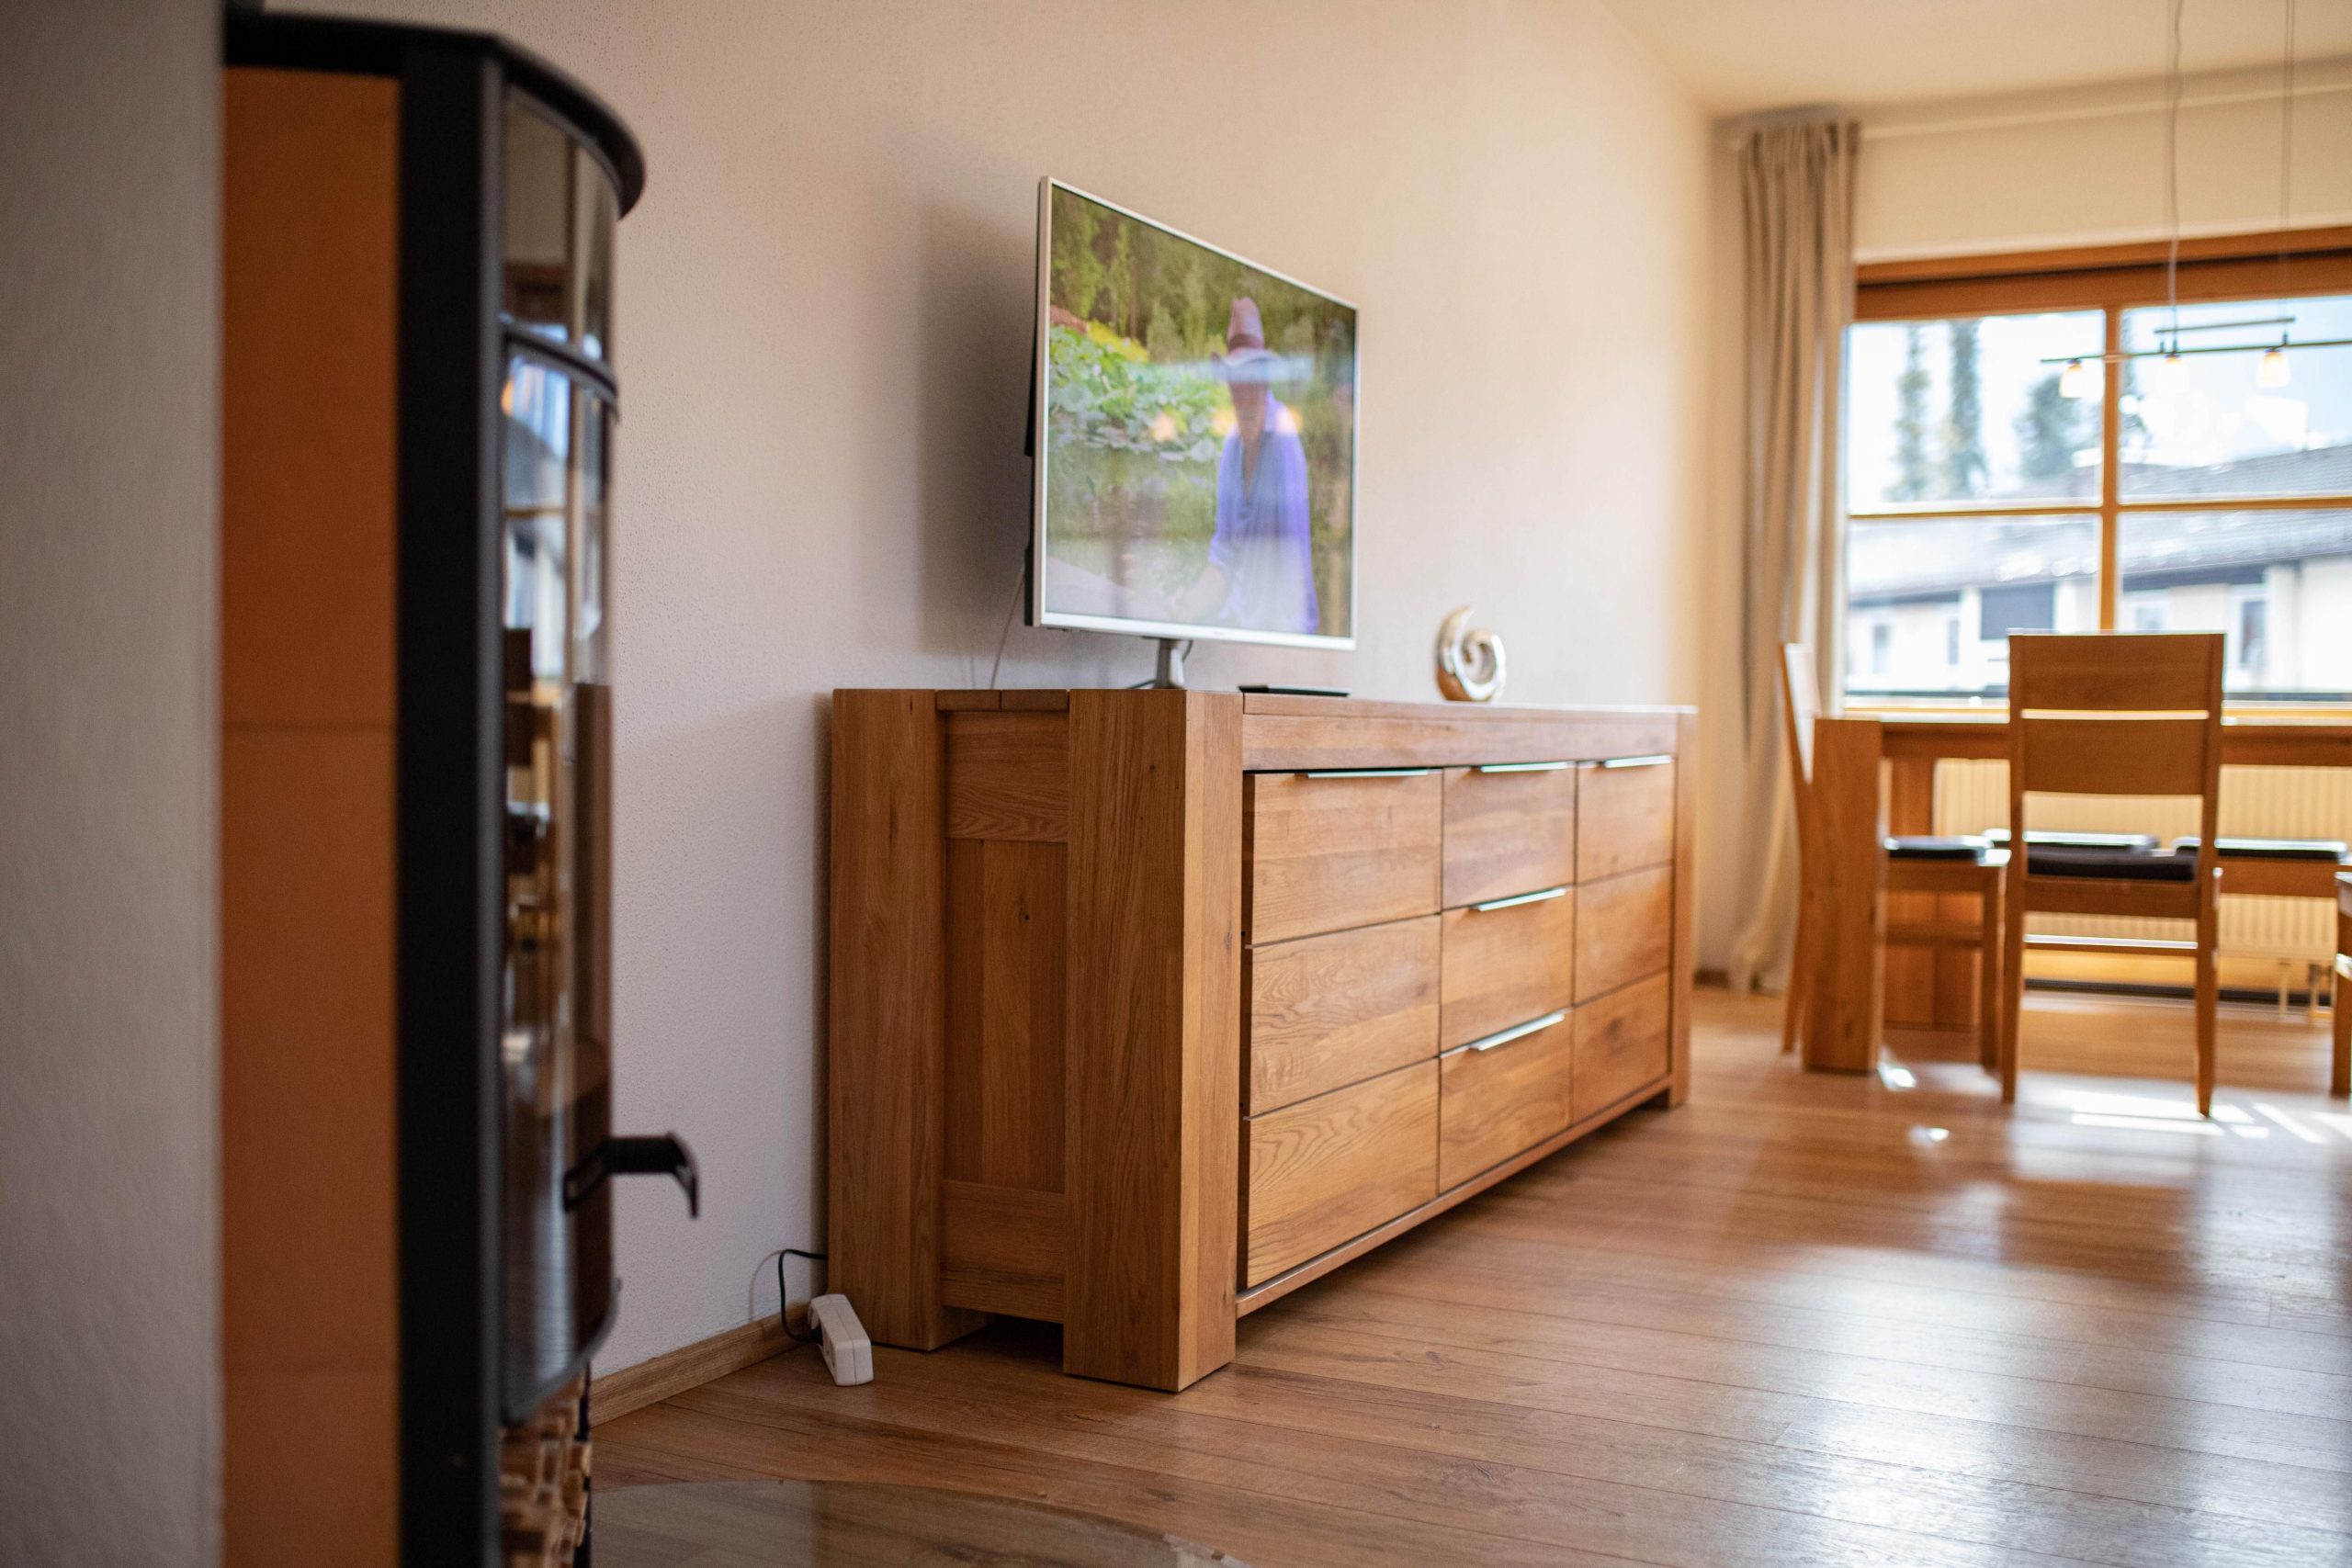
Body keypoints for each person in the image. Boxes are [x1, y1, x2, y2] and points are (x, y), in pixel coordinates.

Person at [1179, 298, 1318, 633]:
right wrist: (1188, 606)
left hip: (1282, 632)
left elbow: (1288, 563)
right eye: (1236, 379)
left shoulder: (1283, 438)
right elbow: (1224, 551)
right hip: (1236, 626)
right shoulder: (1231, 447)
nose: (1243, 391)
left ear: (1265, 381)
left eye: (1252, 378)